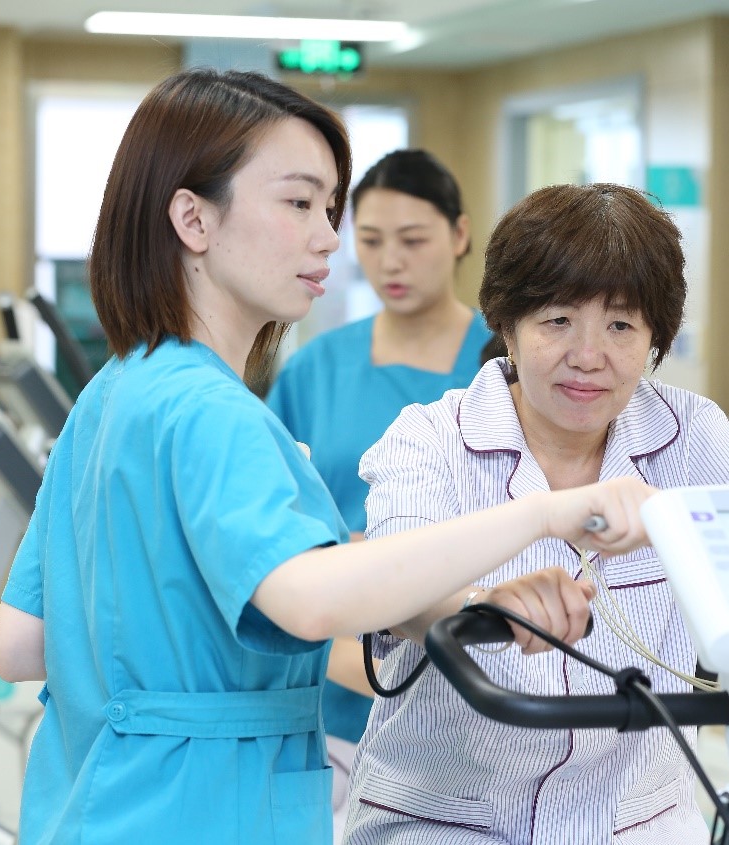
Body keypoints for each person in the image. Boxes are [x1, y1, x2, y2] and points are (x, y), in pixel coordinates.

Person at [0, 70, 656, 845]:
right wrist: (544, 513)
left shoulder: (115, 389)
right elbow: (311, 601)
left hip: (94, 805)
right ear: (193, 218)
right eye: (299, 203)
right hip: (204, 812)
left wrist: (467, 603)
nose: (329, 238)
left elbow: (21, 642)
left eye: (330, 207)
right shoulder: (213, 412)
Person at [342, 183, 729, 845]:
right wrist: (485, 607)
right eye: (558, 320)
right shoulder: (429, 440)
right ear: (508, 327)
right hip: (447, 822)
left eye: (621, 326)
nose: (589, 356)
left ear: (655, 338)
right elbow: (396, 591)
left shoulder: (691, 436)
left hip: (638, 823)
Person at [265, 149, 489, 792]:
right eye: (370, 240)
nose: (390, 261)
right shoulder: (316, 369)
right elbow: (274, 528)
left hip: (470, 693)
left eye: (413, 240)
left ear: (459, 235)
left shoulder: (503, 369)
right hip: (329, 696)